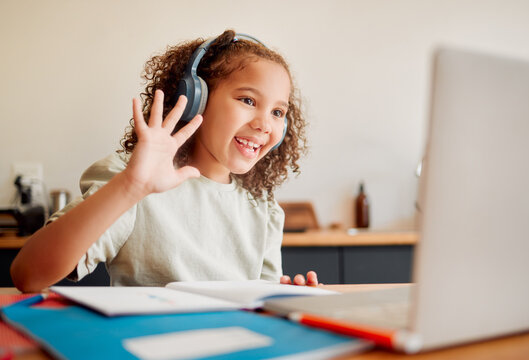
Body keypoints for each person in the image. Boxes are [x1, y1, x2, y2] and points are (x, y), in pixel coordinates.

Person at [11, 30, 319, 292]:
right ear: (196, 99)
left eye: (278, 112)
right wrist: (131, 186)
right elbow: (28, 275)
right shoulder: (134, 178)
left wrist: (286, 297)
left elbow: (261, 300)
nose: (266, 124)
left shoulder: (261, 206)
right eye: (248, 101)